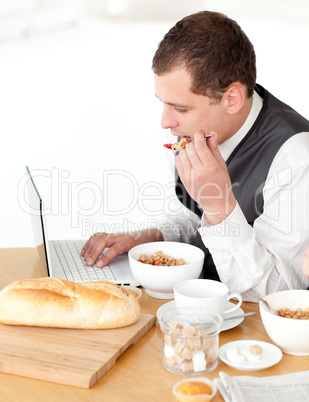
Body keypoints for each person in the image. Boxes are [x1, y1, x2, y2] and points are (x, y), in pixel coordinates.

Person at [81, 10, 309, 301]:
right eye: (163, 103)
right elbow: (193, 216)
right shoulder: (190, 130)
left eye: (180, 108)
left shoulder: (296, 156)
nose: (166, 122)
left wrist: (220, 206)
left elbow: (279, 294)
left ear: (232, 99)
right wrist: (151, 238)